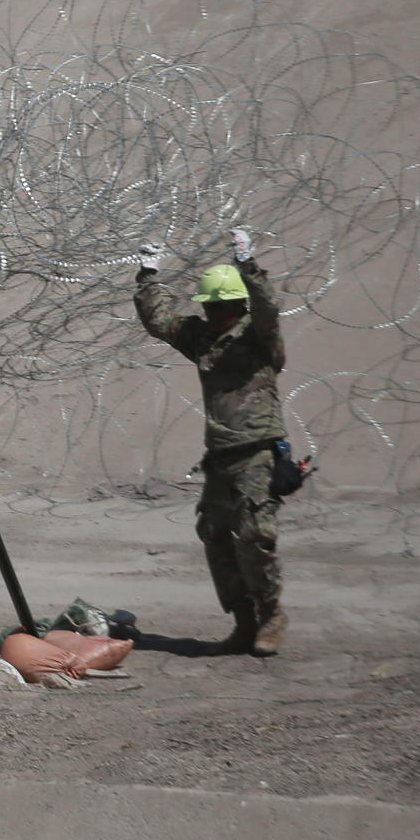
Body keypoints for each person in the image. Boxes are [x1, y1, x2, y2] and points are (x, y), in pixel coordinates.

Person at [134, 229, 288, 656]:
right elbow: (159, 321)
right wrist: (148, 274)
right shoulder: (203, 339)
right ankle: (244, 622)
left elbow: (269, 307)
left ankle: (271, 615)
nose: (217, 313)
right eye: (211, 306)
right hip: (220, 456)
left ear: (238, 304)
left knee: (254, 534)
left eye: (223, 306)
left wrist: (248, 266)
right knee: (217, 538)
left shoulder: (258, 338)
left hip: (257, 452)